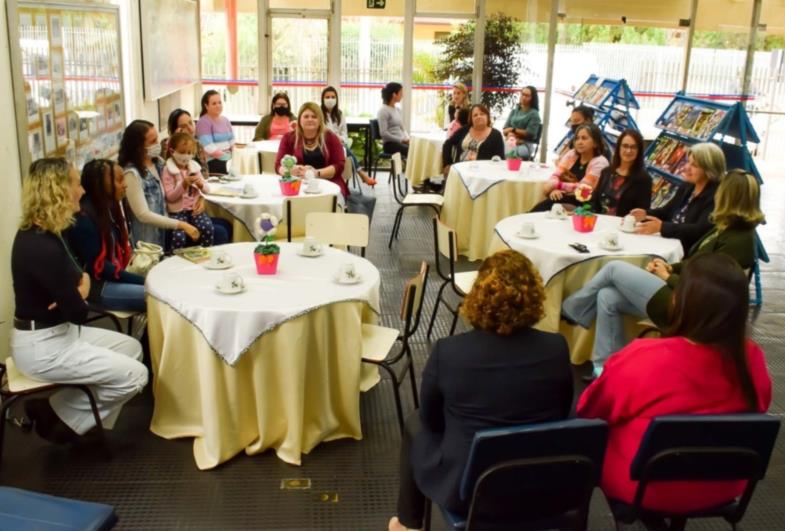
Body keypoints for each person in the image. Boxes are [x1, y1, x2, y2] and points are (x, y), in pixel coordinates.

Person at [389, 251, 573, 531]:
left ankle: (408, 523)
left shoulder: (448, 352)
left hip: (470, 490)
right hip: (540, 482)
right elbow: (561, 411)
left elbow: (431, 419)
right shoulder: (556, 348)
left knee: (415, 423)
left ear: (477, 296)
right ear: (534, 297)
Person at [577, 253, 771, 517]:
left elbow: (591, 410)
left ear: (681, 302)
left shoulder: (644, 357)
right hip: (723, 485)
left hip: (644, 487)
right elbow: (758, 408)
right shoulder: (753, 358)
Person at [561, 169, 764, 377]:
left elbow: (710, 293)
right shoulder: (726, 227)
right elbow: (697, 264)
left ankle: (572, 308)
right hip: (683, 294)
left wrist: (668, 277)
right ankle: (605, 368)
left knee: (613, 268)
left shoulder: (738, 240)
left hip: (687, 307)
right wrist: (670, 267)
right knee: (607, 297)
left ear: (729, 197)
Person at [10, 158, 148, 445]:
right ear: (58, 191)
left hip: (56, 333)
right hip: (44, 347)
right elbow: (78, 311)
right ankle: (64, 423)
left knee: (132, 349)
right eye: (75, 183)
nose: (82, 191)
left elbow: (80, 279)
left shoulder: (45, 233)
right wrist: (80, 292)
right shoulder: (42, 246)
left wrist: (78, 290)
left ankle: (55, 410)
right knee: (137, 376)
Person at [66, 159, 145, 312]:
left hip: (112, 278)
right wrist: (143, 281)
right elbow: (102, 269)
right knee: (160, 296)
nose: (125, 184)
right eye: (119, 180)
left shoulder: (108, 207)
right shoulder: (83, 218)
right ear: (100, 184)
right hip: (98, 287)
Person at [630, 142, 726, 253]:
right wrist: (645, 215)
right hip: (666, 241)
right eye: (688, 162)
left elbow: (699, 231)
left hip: (683, 252)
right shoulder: (688, 186)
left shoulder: (716, 196)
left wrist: (662, 227)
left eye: (694, 165)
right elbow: (666, 211)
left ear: (710, 170)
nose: (686, 168)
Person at [118, 119, 199, 249]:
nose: (159, 144)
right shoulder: (132, 174)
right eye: (153, 141)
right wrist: (181, 225)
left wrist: (200, 199)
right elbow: (143, 215)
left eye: (157, 139)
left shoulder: (159, 163)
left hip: (169, 228)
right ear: (139, 147)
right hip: (151, 242)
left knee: (220, 228)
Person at [275, 102, 348, 199]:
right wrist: (290, 171)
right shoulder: (288, 138)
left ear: (320, 120)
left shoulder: (331, 137)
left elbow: (339, 165)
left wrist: (316, 173)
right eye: (306, 116)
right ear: (299, 119)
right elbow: (278, 165)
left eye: (314, 116)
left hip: (328, 184)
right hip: (297, 186)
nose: (310, 119)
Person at [531, 123, 609, 212]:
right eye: (577, 138)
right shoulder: (572, 154)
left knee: (550, 206)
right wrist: (554, 190)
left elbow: (583, 190)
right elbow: (555, 176)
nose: (579, 142)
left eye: (584, 138)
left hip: (584, 205)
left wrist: (557, 186)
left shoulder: (600, 162)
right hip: (564, 198)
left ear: (595, 143)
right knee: (550, 204)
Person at [161, 132, 215, 249]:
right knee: (179, 236)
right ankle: (174, 259)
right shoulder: (168, 170)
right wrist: (183, 185)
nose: (186, 156)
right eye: (182, 152)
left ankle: (206, 252)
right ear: (172, 151)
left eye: (189, 153)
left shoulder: (194, 168)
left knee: (208, 227)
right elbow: (170, 196)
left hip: (194, 210)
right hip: (177, 212)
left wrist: (201, 185)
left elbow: (207, 190)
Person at [320, 86, 376, 187]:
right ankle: (361, 174)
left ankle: (348, 178)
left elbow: (344, 132)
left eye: (333, 97)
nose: (330, 99)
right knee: (345, 150)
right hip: (323, 144)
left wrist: (340, 140)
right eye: (327, 97)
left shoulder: (339, 114)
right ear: (322, 99)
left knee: (344, 149)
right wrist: (334, 138)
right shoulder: (318, 114)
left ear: (336, 99)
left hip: (338, 144)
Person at [589, 129, 651, 217]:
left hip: (623, 227)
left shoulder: (644, 180)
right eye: (625, 146)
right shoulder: (606, 172)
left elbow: (642, 212)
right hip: (599, 223)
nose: (628, 151)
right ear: (619, 148)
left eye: (633, 147)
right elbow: (595, 201)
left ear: (639, 151)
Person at [441, 104, 505, 175]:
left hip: (483, 174)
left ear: (487, 117)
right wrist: (447, 164)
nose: (479, 116)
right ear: (471, 119)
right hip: (459, 171)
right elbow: (447, 144)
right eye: (475, 115)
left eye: (482, 114)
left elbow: (500, 160)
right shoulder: (465, 130)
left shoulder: (496, 135)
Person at [195, 90, 234, 174]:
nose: (218, 106)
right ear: (206, 106)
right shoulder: (203, 122)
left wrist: (235, 154)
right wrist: (227, 157)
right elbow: (208, 147)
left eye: (220, 102)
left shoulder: (225, 120)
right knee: (235, 169)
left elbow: (232, 140)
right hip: (212, 160)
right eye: (214, 103)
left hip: (228, 157)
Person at [161, 109, 208, 175]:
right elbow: (165, 170)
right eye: (183, 126)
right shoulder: (165, 145)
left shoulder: (198, 144)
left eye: (190, 123)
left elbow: (205, 173)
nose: (190, 129)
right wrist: (176, 142)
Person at [502, 85, 542, 160]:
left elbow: (530, 133)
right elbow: (504, 131)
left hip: (525, 144)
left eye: (527, 96)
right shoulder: (514, 111)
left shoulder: (534, 114)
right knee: (498, 148)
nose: (524, 97)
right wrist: (510, 134)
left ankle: (510, 169)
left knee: (510, 152)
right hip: (511, 140)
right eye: (522, 94)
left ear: (532, 98)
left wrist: (513, 130)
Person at [378, 82, 409, 157]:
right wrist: (401, 140)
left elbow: (402, 128)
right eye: (401, 93)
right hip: (390, 145)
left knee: (416, 148)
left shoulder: (397, 110)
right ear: (394, 94)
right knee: (411, 151)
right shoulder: (383, 111)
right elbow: (383, 133)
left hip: (401, 143)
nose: (402, 96)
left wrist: (407, 138)